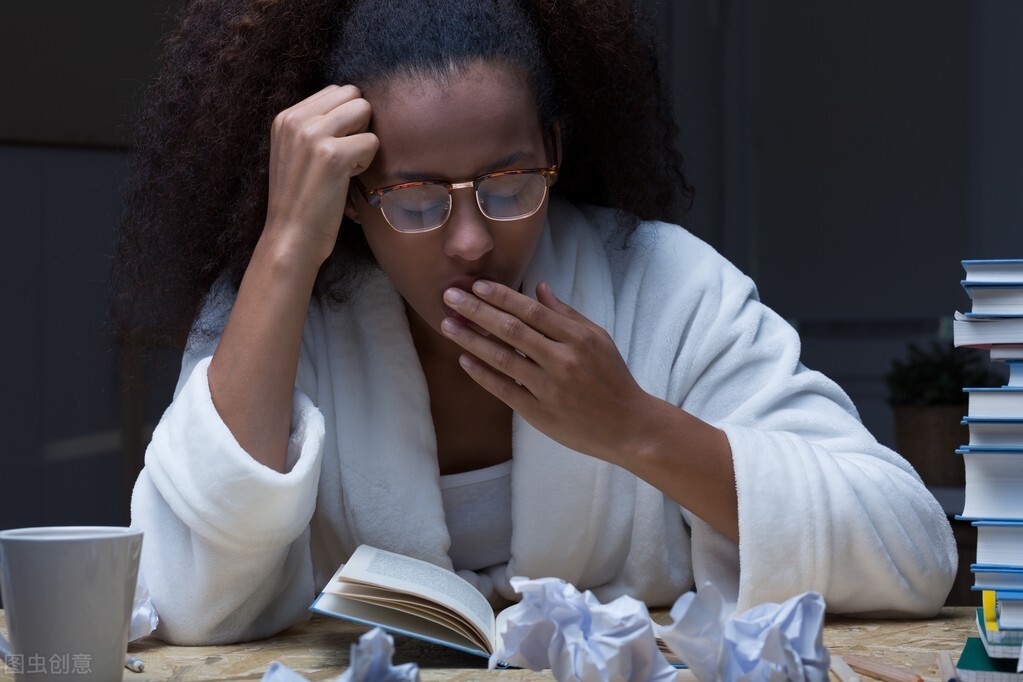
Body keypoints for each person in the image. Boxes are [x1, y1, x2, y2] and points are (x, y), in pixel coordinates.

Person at [112, 0, 957, 646]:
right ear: (353, 196)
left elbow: (910, 552)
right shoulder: (288, 307)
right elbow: (185, 597)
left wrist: (633, 427)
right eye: (414, 199)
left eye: (510, 181)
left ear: (554, 145)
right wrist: (287, 239)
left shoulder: (664, 283)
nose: (473, 240)